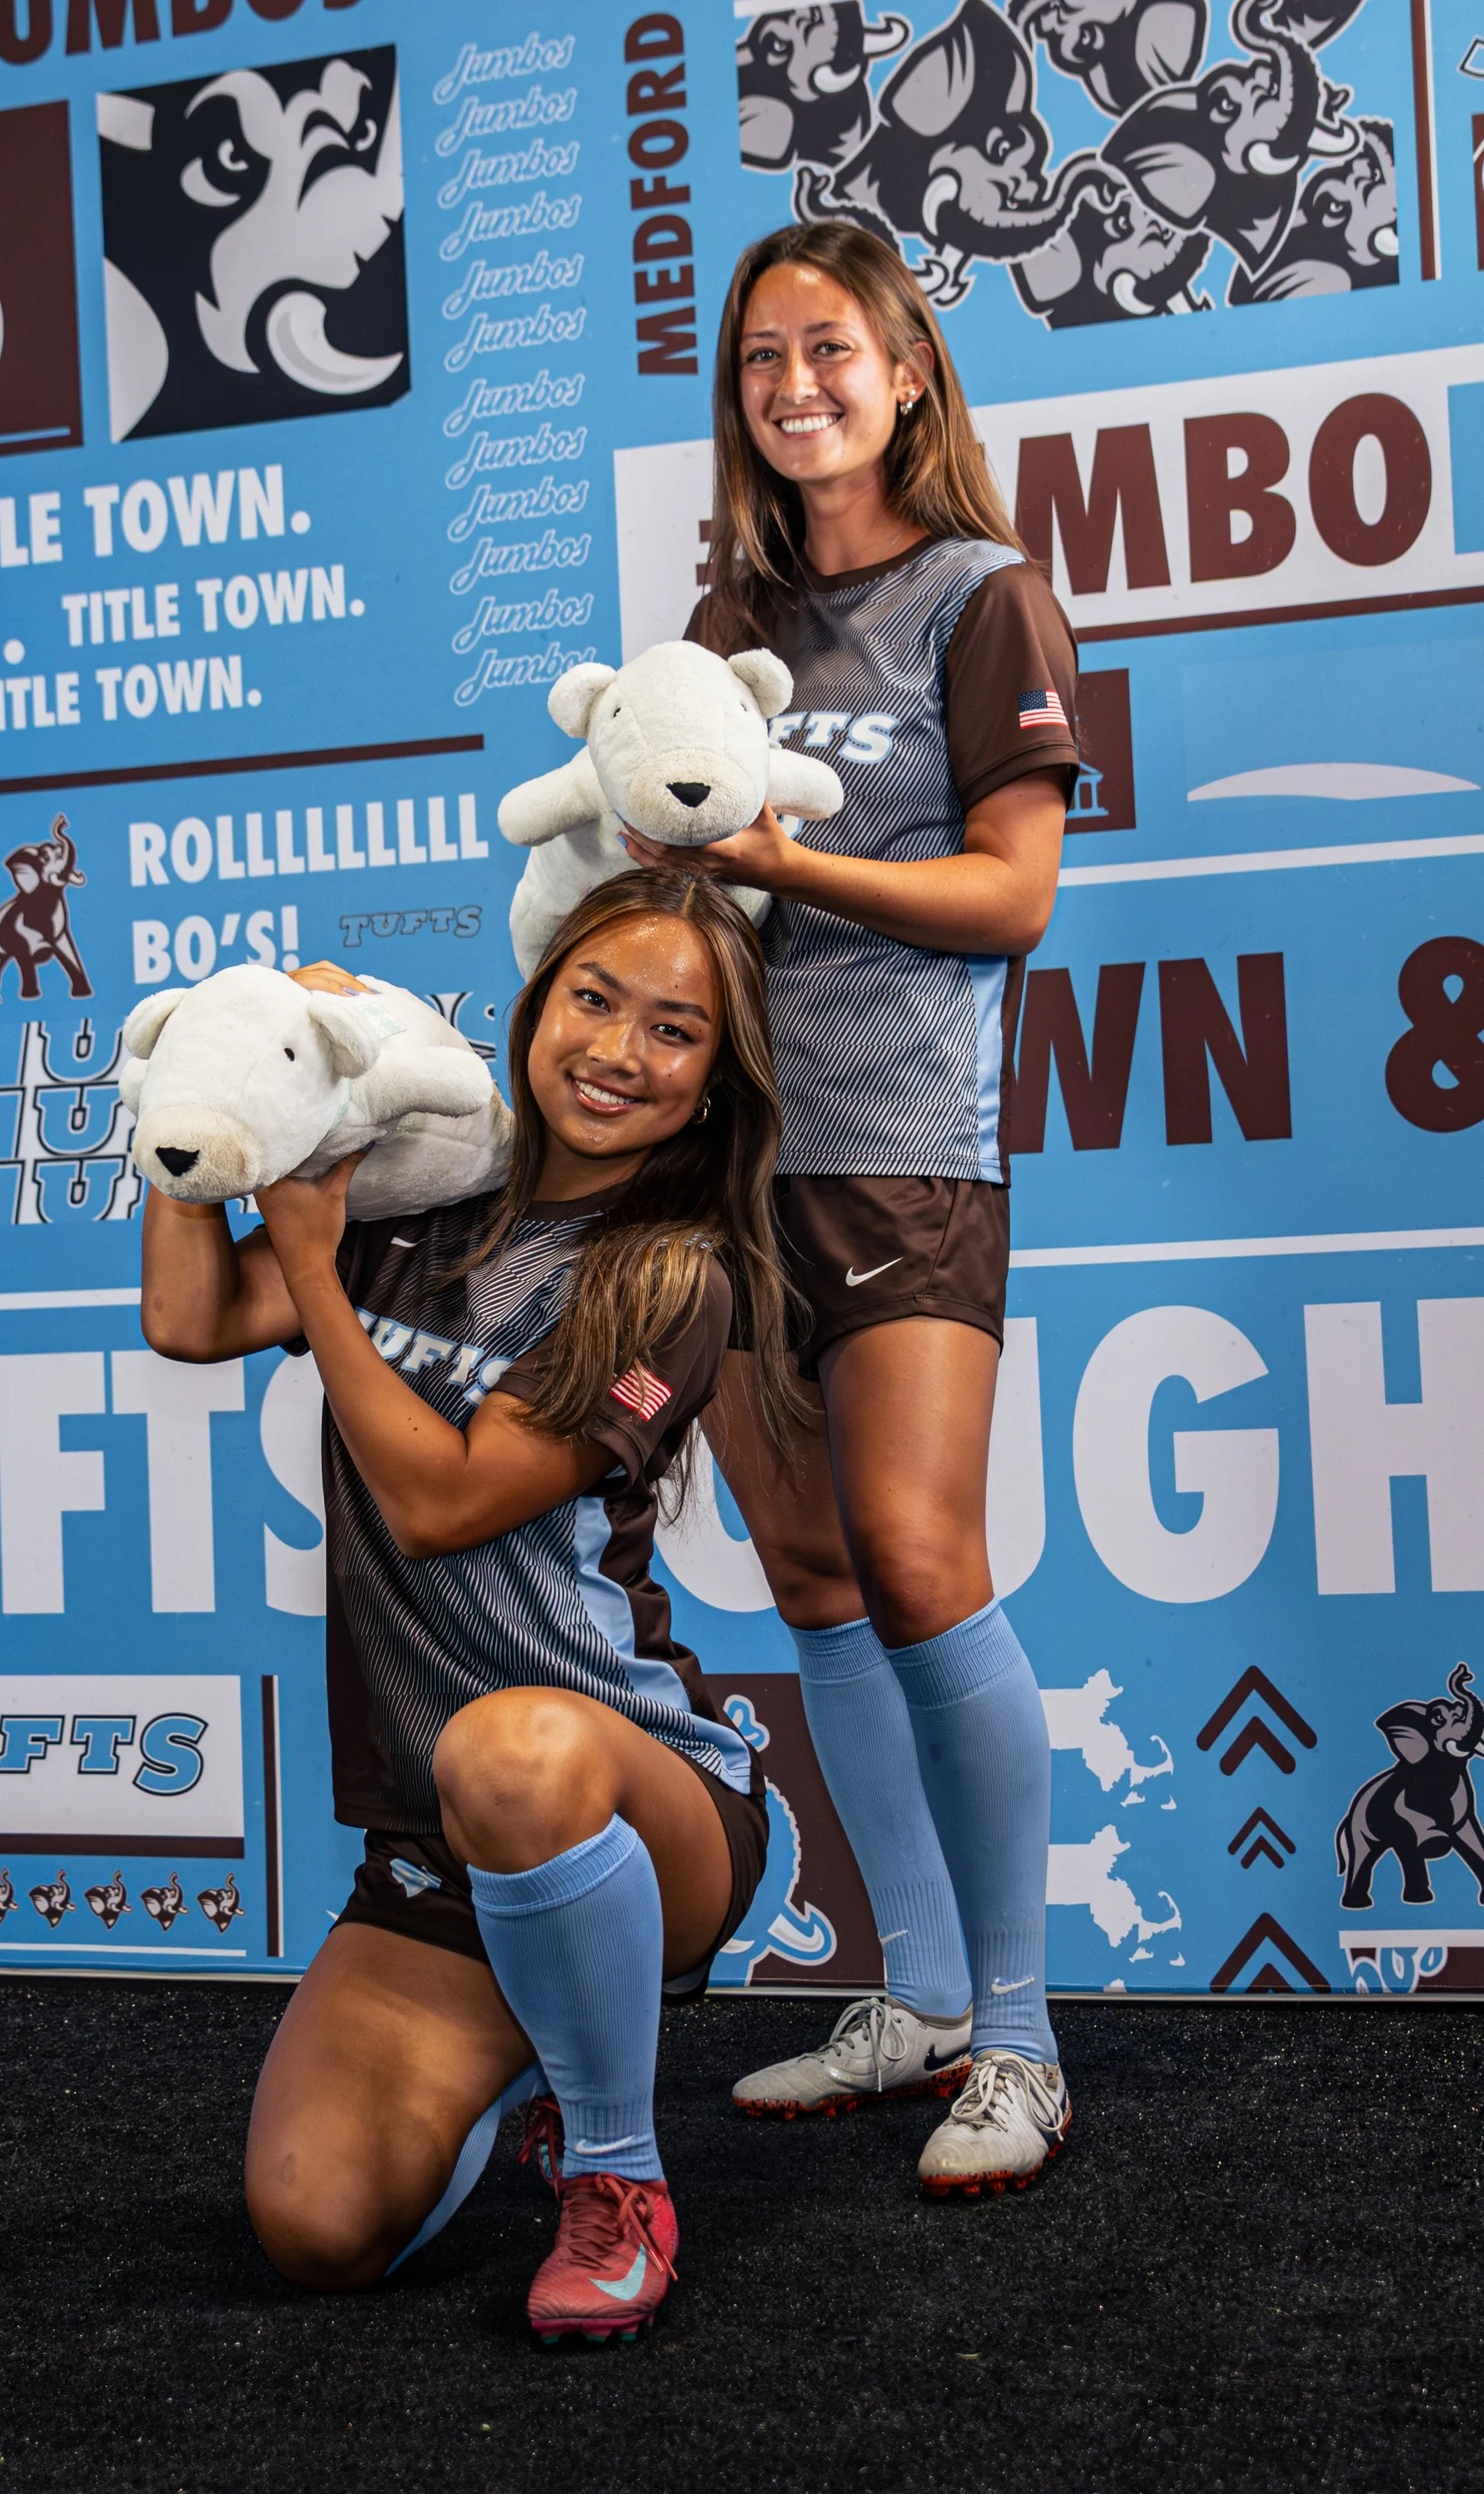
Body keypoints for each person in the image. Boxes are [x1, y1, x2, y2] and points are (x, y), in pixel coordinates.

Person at [139, 871, 799, 2341]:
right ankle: (559, 2038)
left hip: (638, 1798)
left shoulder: (670, 1276)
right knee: (312, 2227)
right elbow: (187, 1318)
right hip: (434, 1866)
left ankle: (616, 2170)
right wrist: (217, 1087)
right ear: (532, 1006)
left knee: (507, 1751)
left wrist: (310, 1264)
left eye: (673, 1030)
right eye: (593, 999)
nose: (619, 1049)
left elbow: (440, 1504)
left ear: (712, 1083)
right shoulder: (417, 1200)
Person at [624, 219, 1082, 2195]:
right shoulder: (730, 615)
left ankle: (1028, 2038)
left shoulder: (987, 599)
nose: (791, 385)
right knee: (804, 1568)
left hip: (902, 1147)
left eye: (828, 349)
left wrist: (786, 864)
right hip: (724, 1162)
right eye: (757, 360)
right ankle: (912, 1999)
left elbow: (1012, 896)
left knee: (913, 1554)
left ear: (906, 372)